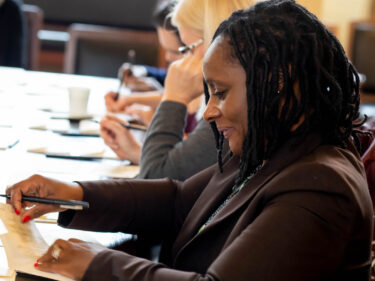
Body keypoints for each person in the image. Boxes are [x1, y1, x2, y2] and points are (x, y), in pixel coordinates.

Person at [7, 0, 373, 280]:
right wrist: (75, 194)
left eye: (221, 92)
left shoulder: (322, 187)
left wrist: (100, 264)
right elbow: (180, 200)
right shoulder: (272, 143)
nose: (210, 111)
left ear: (276, 83)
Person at [101, 0, 253, 179]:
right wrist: (139, 153)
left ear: (215, 38)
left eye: (187, 48)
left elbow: (155, 180)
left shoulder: (233, 108)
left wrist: (174, 97)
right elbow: (183, 173)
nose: (181, 61)